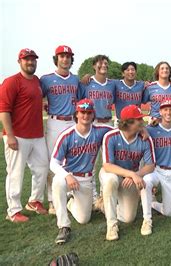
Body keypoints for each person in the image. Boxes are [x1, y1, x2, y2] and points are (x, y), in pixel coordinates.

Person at [50, 99, 113, 244]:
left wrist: (142, 129)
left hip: (86, 179)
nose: (85, 115)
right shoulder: (67, 135)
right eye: (82, 112)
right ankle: (64, 226)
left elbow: (122, 130)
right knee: (57, 182)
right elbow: (53, 163)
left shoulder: (100, 131)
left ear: (93, 115)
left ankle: (71, 203)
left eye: (88, 112)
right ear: (76, 114)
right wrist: (67, 176)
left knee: (84, 219)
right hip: (69, 176)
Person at [0, 48, 49, 222]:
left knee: (42, 168)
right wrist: (10, 135)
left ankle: (34, 200)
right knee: (15, 173)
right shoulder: (11, 82)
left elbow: (35, 101)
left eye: (33, 59)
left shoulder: (36, 80)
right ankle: (13, 210)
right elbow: (4, 110)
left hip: (37, 134)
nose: (30, 62)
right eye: (27, 59)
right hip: (18, 135)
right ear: (19, 61)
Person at [100, 105, 155, 240]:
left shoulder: (144, 138)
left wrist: (135, 175)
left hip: (131, 177)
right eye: (138, 120)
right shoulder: (111, 136)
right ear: (128, 123)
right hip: (113, 172)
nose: (141, 122)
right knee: (111, 180)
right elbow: (107, 165)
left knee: (128, 218)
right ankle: (111, 225)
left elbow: (150, 165)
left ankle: (104, 204)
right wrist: (131, 174)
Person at [40, 45, 80, 214]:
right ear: (56, 59)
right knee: (53, 161)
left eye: (68, 56)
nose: (65, 59)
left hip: (72, 121)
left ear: (71, 59)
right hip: (55, 122)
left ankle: (72, 196)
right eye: (62, 56)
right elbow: (36, 97)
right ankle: (52, 200)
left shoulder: (76, 79)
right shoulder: (46, 79)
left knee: (73, 159)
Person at [141, 100, 171, 229]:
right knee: (146, 181)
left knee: (168, 212)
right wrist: (144, 128)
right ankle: (147, 219)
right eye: (165, 109)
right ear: (160, 112)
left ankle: (153, 203)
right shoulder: (152, 129)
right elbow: (137, 127)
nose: (168, 112)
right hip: (156, 170)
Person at [79, 55, 116, 126]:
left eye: (105, 63)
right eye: (101, 63)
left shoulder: (113, 84)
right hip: (92, 122)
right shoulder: (86, 83)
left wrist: (144, 83)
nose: (104, 65)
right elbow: (78, 102)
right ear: (94, 66)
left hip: (108, 122)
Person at [114, 62, 145, 126]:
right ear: (123, 73)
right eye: (128, 70)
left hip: (136, 121)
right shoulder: (116, 84)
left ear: (136, 72)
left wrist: (170, 80)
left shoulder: (142, 85)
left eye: (133, 70)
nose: (130, 72)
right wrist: (89, 77)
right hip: (120, 121)